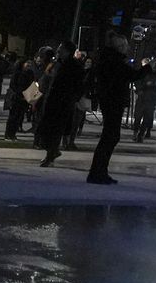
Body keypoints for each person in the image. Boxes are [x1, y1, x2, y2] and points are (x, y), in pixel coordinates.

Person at [87, 33, 138, 185]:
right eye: (125, 46)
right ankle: (98, 172)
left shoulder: (108, 60)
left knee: (110, 137)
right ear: (120, 47)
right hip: (113, 102)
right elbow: (131, 75)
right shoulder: (114, 61)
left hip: (110, 101)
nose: (127, 49)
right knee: (110, 137)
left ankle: (99, 171)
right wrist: (148, 69)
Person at [35, 43, 85, 168]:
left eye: (60, 49)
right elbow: (47, 78)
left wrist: (73, 98)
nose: (58, 51)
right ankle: (51, 152)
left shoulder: (74, 66)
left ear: (67, 51)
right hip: (51, 100)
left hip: (63, 102)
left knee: (56, 130)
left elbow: (80, 85)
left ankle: (50, 155)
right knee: (45, 128)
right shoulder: (57, 63)